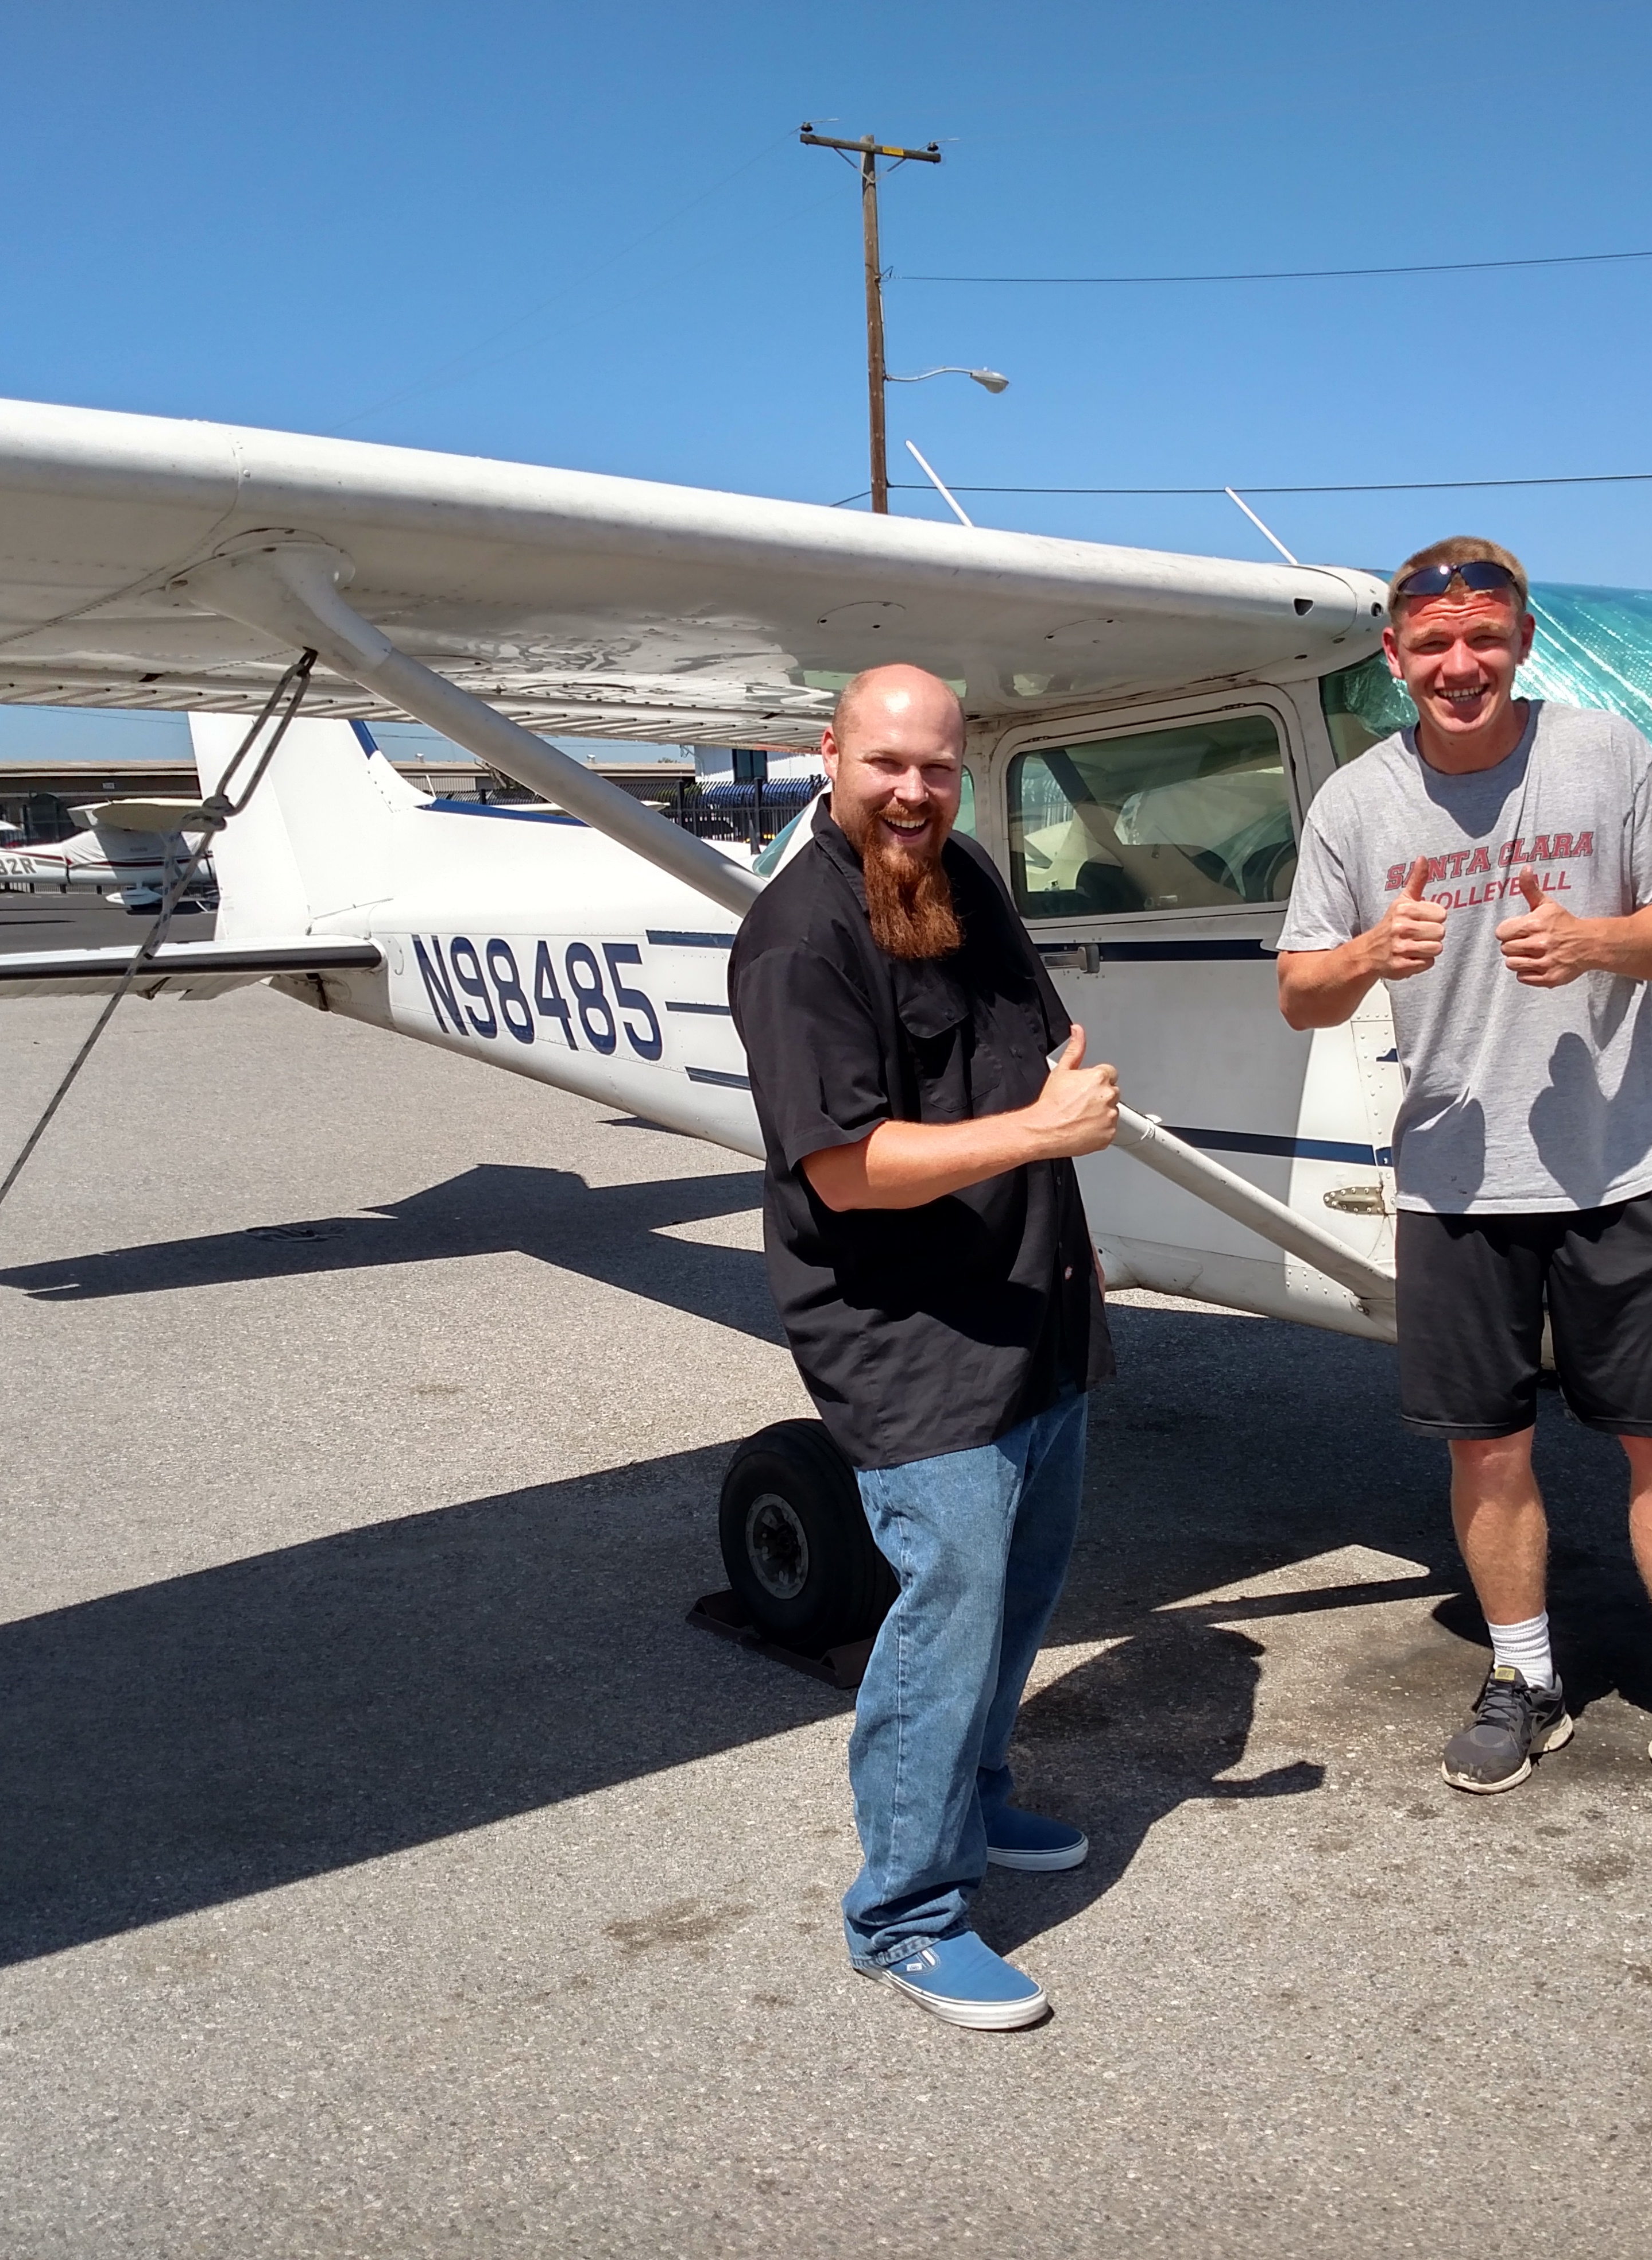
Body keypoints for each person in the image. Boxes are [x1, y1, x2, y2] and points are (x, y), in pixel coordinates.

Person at [1274, 539, 1652, 1836]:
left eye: (1482, 640)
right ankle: (1523, 1678)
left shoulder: (1603, 755)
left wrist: (1596, 940)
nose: (1459, 665)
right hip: (1453, 1179)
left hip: (1622, 1170)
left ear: (1520, 645)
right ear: (1393, 659)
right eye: (1431, 645)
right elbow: (1296, 990)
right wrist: (1362, 953)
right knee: (1487, 1456)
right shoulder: (1354, 805)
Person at [728, 661, 1121, 2028]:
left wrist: (1047, 1092)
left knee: (1019, 1591)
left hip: (1027, 1304)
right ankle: (902, 1910)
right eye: (886, 763)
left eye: (937, 768)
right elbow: (843, 1169)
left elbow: (1016, 1047)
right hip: (908, 1334)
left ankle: (972, 1799)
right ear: (828, 756)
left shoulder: (957, 873)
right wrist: (1042, 1131)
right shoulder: (797, 938)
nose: (912, 792)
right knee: (945, 1613)